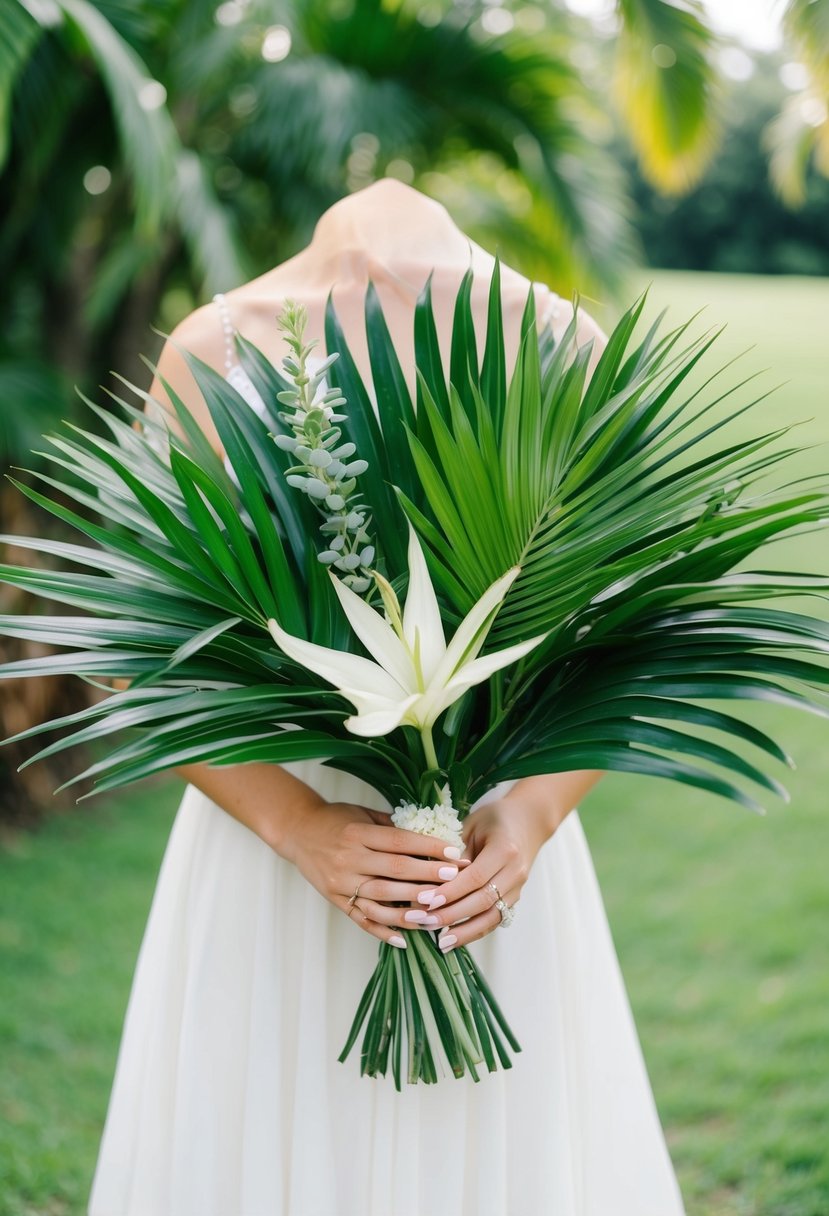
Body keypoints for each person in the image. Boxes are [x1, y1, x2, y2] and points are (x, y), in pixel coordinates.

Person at [87, 178, 687, 1215]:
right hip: (271, 844)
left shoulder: (558, 344)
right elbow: (135, 657)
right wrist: (301, 826)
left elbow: (631, 628)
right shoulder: (215, 350)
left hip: (486, 862)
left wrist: (529, 817)